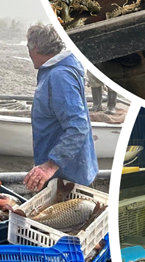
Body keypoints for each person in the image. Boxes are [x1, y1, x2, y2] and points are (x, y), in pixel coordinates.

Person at [23, 23, 98, 192]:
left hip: (68, 178)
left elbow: (78, 127)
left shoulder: (59, 76)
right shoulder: (57, 70)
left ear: (34, 48)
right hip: (67, 172)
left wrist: (51, 165)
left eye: (28, 47)